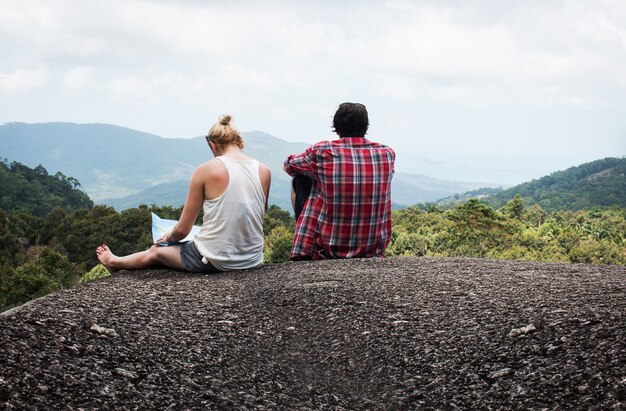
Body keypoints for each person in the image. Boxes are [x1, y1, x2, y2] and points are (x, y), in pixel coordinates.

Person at [96, 115, 271, 273]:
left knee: (156, 252)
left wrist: (168, 237)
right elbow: (256, 215)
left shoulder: (206, 170)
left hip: (216, 260)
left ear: (212, 144)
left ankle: (113, 261)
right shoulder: (263, 171)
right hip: (253, 259)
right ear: (239, 142)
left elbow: (182, 230)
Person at [284, 102, 395, 260]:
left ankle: (305, 243)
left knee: (301, 177)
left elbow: (289, 166)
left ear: (336, 128)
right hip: (371, 248)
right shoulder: (387, 154)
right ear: (365, 127)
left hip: (329, 248)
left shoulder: (322, 151)